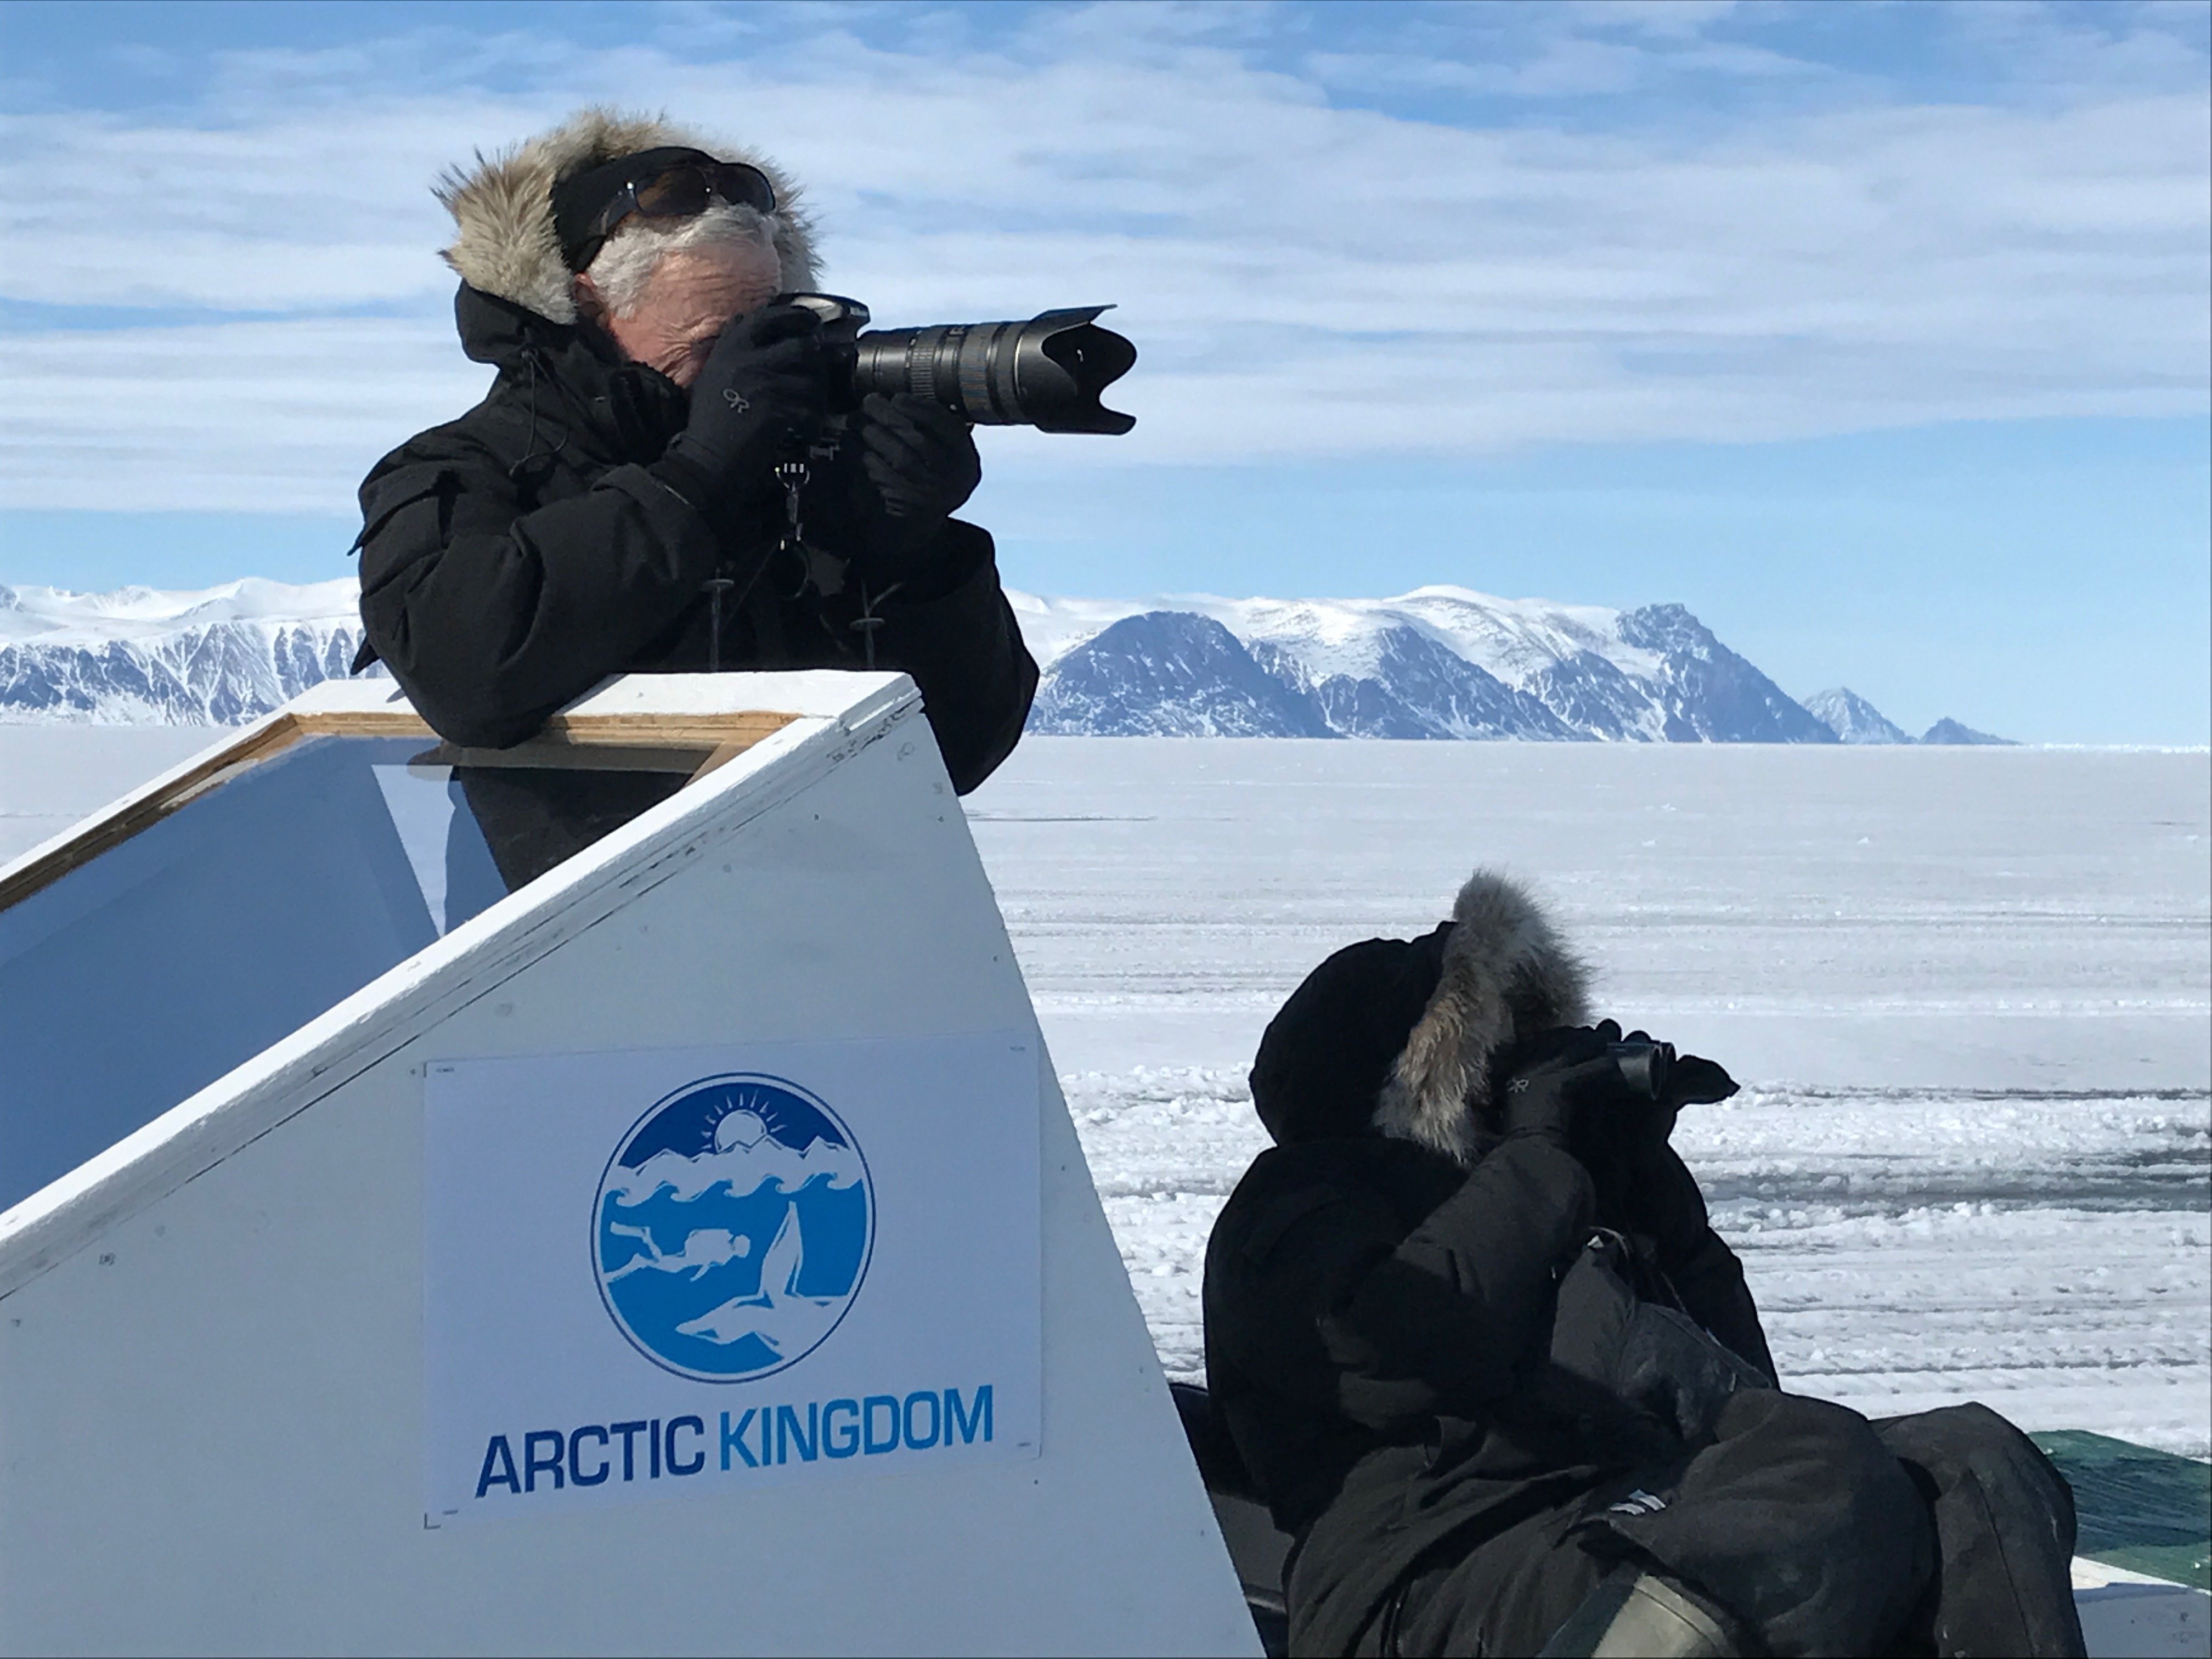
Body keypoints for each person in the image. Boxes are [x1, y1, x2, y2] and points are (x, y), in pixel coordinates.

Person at [1203, 869, 2087, 1658]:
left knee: (1966, 1464)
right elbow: (1397, 1350)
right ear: (1415, 1073)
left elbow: (1744, 1392)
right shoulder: (1296, 1203)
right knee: (1822, 1477)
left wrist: (1645, 1181)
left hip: (1610, 1523)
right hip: (1424, 1579)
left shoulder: (1541, 1192)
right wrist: (1543, 1155)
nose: (1516, 1069)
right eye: (1492, 1049)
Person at [352, 108, 1037, 794]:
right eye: (717, 344)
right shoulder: (463, 472)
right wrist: (699, 478)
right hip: (578, 899)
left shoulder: (797, 479)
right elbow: (467, 680)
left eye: (770, 334)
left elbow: (956, 756)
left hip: (818, 888)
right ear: (587, 311)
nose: (751, 375)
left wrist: (915, 562)